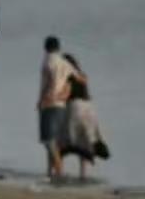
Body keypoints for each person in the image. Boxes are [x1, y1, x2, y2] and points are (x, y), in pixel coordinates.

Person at [59, 53, 109, 180]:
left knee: (63, 142)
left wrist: (54, 98)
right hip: (89, 108)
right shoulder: (82, 76)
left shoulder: (67, 76)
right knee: (84, 141)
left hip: (75, 108)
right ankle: (83, 174)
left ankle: (58, 171)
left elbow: (66, 94)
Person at [38, 36, 77, 180]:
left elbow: (48, 82)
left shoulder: (48, 60)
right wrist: (65, 92)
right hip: (61, 106)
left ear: (46, 48)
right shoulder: (64, 63)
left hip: (49, 103)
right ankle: (51, 172)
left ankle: (59, 171)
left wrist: (44, 98)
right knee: (54, 140)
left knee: (48, 141)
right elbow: (78, 77)